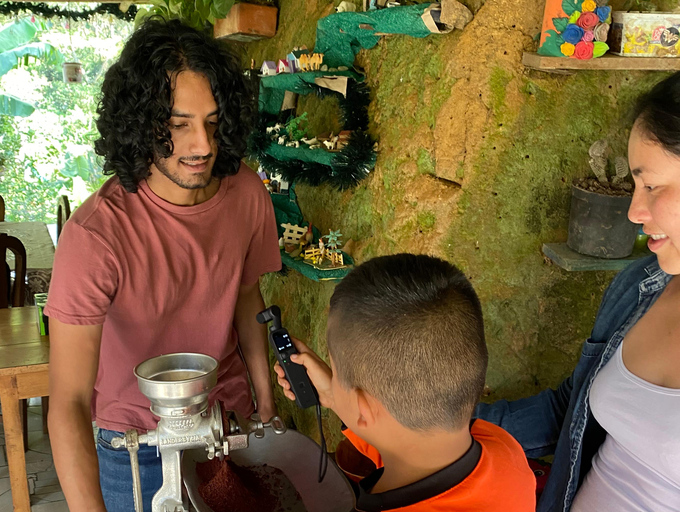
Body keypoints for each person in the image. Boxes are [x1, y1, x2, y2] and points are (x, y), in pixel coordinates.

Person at [44, 18, 281, 512]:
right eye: (179, 125)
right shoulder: (95, 236)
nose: (203, 146)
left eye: (212, 123)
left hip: (227, 426)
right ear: (141, 124)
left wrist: (265, 400)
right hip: (135, 445)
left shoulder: (247, 195)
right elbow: (67, 401)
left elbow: (246, 296)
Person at [476, 72, 680, 512]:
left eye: (652, 185)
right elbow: (570, 412)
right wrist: (410, 413)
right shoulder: (639, 287)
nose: (633, 211)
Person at [276, 254, 536, 511]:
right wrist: (336, 397)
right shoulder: (503, 449)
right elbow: (407, 446)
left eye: (335, 369)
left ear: (364, 408)